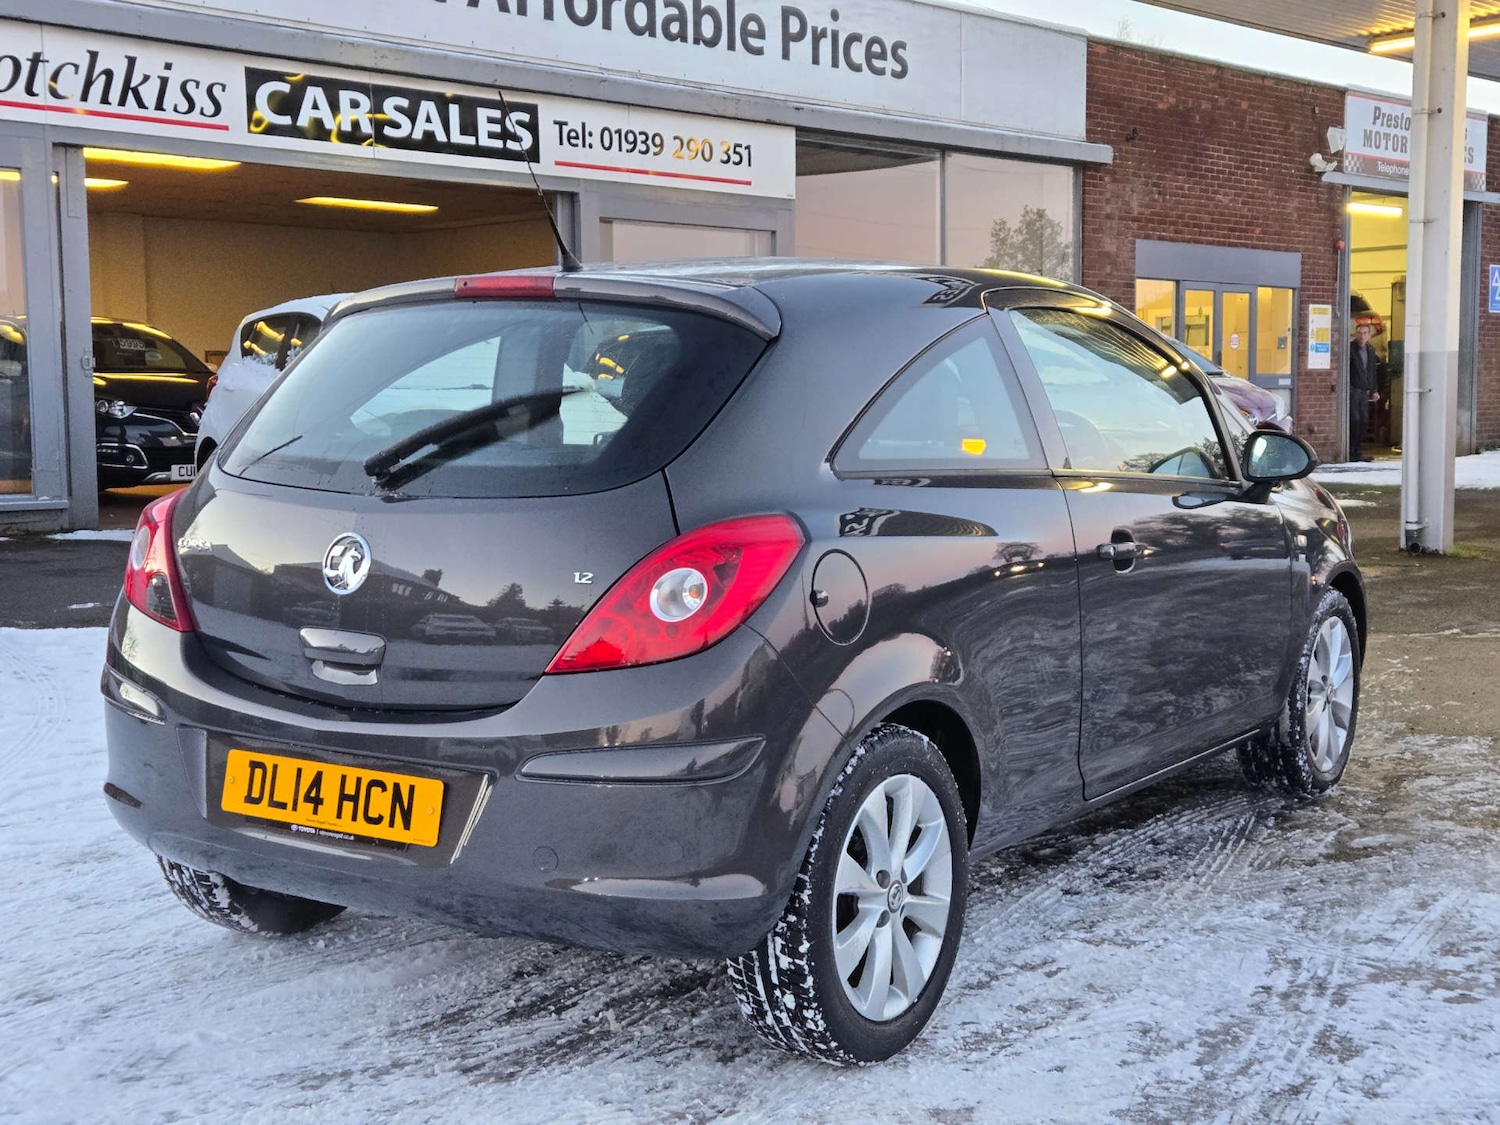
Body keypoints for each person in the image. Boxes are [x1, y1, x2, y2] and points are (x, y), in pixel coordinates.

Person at [1348, 322, 1381, 462]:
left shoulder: (1370, 350)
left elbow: (1372, 371)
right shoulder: (1350, 349)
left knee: (1364, 421)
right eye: (1360, 333)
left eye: (1365, 333)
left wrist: (1374, 390)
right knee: (1355, 419)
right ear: (1356, 334)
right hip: (1353, 389)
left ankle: (1357, 450)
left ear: (1369, 335)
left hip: (1364, 391)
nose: (1362, 336)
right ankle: (1350, 450)